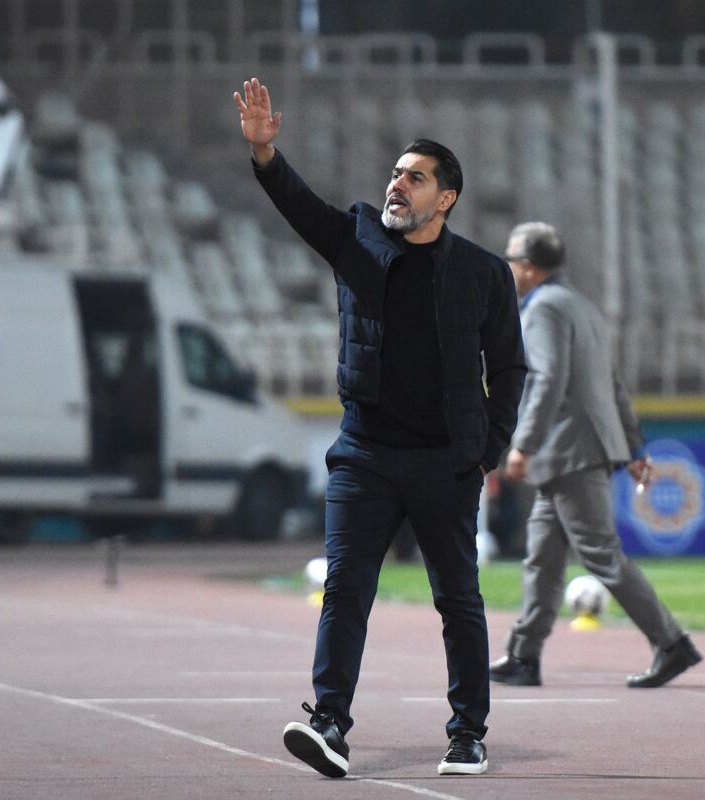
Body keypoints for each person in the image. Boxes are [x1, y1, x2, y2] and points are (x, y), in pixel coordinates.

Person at [234, 78, 526, 778]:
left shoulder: (484, 273)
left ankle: (468, 734)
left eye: (415, 178)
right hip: (364, 455)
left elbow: (510, 369)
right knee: (345, 590)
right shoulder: (356, 238)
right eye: (396, 173)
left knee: (458, 600)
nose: (397, 184)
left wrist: (486, 451)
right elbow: (299, 205)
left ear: (445, 199)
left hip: (445, 462)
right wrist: (265, 153)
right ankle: (329, 723)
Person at [490, 222, 702, 690]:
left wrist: (524, 444)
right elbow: (612, 383)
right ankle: (523, 655)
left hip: (568, 449)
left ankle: (672, 644)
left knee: (602, 555)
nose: (508, 267)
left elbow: (547, 380)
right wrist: (633, 446)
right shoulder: (582, 306)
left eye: (511, 259)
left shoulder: (542, 309)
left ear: (529, 266)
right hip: (580, 448)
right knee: (542, 558)